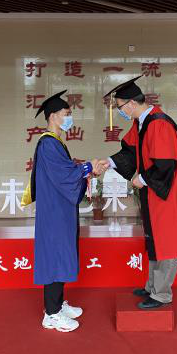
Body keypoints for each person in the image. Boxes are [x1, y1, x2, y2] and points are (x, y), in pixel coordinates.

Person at [102, 76, 177, 309]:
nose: (121, 112)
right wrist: (108, 163)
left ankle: (162, 294)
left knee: (167, 240)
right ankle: (152, 286)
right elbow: (130, 150)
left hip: (166, 192)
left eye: (121, 107)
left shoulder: (158, 124)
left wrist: (142, 179)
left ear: (132, 104)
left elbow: (165, 164)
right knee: (154, 238)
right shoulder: (142, 122)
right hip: (154, 190)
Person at [30, 90, 108, 332]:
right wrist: (87, 167)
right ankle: (51, 314)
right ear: (53, 116)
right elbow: (63, 175)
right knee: (55, 256)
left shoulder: (56, 142)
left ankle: (58, 304)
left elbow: (66, 170)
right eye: (66, 113)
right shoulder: (48, 143)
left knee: (62, 253)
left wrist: (86, 168)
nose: (69, 118)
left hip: (60, 210)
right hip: (54, 212)